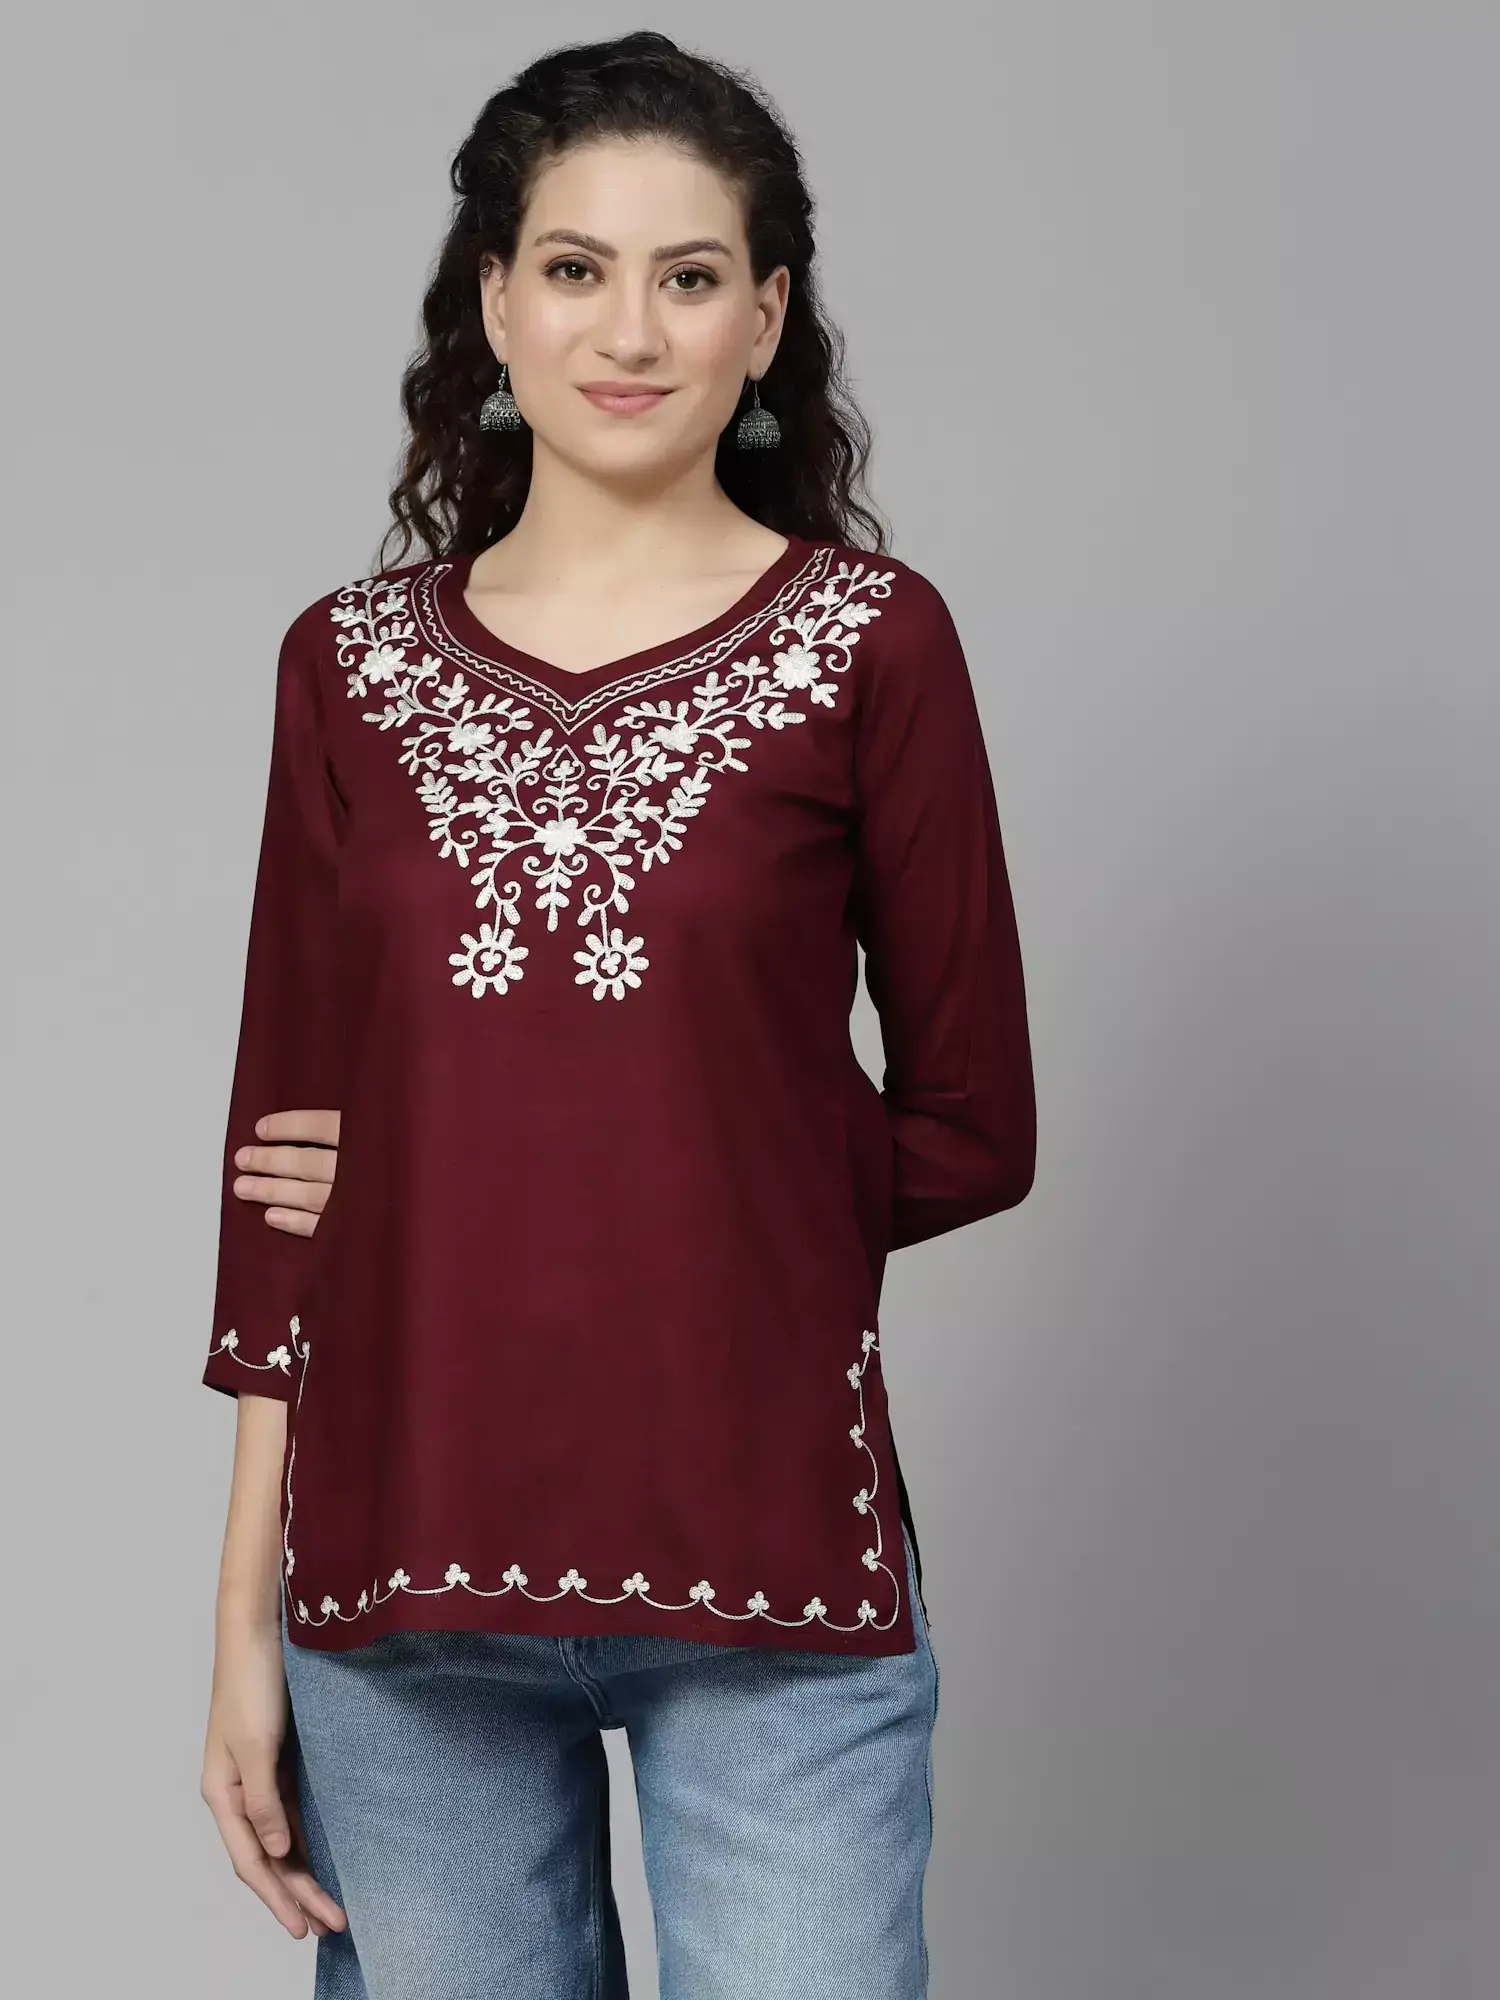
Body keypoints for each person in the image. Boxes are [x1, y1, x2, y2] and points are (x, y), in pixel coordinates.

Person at [198, 29, 1036, 2000]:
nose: (631, 330)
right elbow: (283, 1183)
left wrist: (675, 1170)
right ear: (495, 302)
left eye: (689, 275)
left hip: (771, 1554)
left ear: (767, 319)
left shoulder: (870, 644)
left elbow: (976, 1126)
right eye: (575, 268)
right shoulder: (350, 670)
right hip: (398, 1578)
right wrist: (240, 1622)